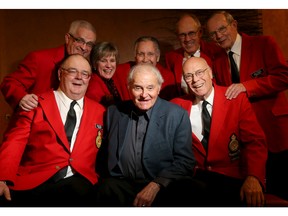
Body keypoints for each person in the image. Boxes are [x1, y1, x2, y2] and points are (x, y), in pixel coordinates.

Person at [0, 54, 105, 207]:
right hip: (36, 182)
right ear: (60, 73)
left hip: (80, 184)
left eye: (84, 74)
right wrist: (2, 177)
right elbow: (14, 142)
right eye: (72, 71)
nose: (79, 77)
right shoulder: (35, 104)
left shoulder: (100, 112)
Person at [206, 10, 288, 200]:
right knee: (259, 196)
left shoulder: (264, 44)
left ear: (234, 24)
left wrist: (247, 86)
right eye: (213, 34)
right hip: (245, 139)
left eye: (222, 29)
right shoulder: (217, 59)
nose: (218, 36)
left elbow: (284, 77)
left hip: (275, 134)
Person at [96, 63, 204, 207]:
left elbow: (185, 162)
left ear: (159, 88)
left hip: (160, 185)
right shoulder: (114, 112)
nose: (144, 94)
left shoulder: (176, 115)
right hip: (120, 185)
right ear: (129, 87)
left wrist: (156, 184)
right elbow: (103, 154)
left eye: (150, 88)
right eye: (138, 87)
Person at [171, 57, 267, 206]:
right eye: (189, 76)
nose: (195, 79)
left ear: (210, 73)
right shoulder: (177, 106)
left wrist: (254, 177)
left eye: (199, 72)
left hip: (232, 181)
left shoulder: (235, 100)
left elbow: (255, 142)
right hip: (194, 183)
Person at [0, 20, 97, 112]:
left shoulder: (89, 71)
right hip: (35, 121)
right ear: (68, 38)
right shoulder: (39, 59)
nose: (84, 48)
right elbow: (9, 83)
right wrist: (22, 97)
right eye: (79, 40)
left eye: (89, 44)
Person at [165, 13, 225, 96]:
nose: (187, 39)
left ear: (200, 33)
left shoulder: (215, 51)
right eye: (182, 35)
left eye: (191, 33)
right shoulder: (171, 58)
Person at [115, 36, 178, 101]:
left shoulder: (168, 77)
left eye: (150, 54)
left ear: (158, 56)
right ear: (135, 56)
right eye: (141, 54)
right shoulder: (121, 71)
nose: (145, 60)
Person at [86, 42, 123, 107]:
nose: (108, 65)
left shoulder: (111, 82)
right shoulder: (93, 88)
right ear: (95, 63)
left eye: (112, 61)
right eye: (103, 61)